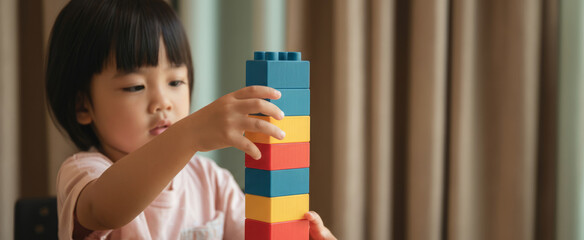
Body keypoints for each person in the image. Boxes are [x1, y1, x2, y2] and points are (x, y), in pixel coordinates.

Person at [46, 0, 337, 239]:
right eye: (135, 86)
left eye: (175, 82)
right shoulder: (83, 173)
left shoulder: (212, 182)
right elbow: (105, 209)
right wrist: (191, 134)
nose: (163, 102)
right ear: (83, 105)